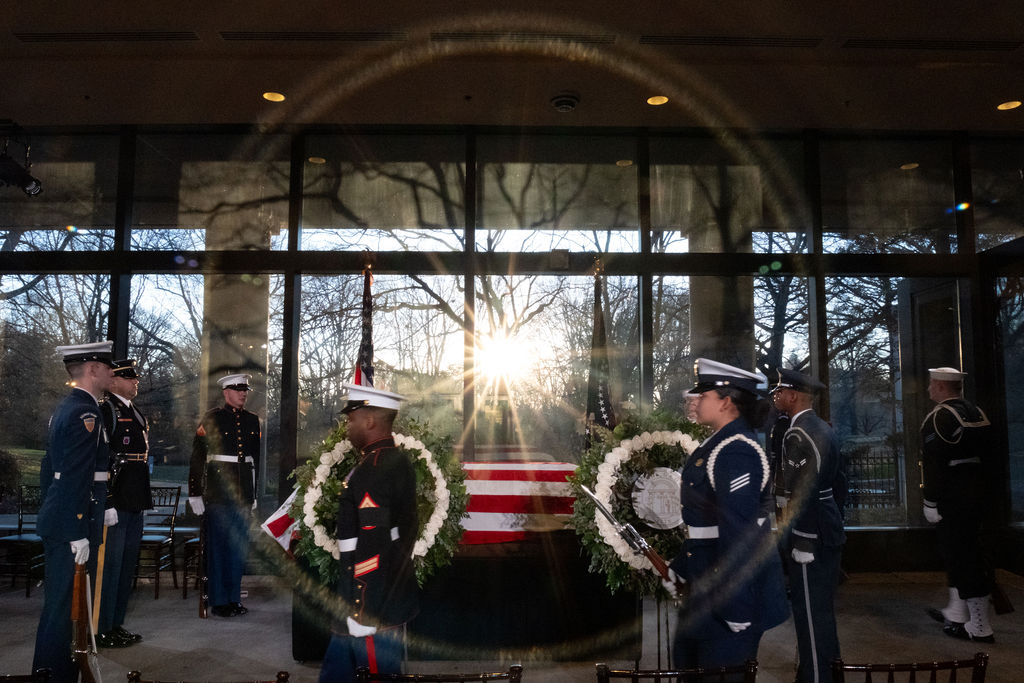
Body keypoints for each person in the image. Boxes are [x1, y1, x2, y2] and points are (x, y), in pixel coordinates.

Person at [663, 359, 789, 671]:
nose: (695, 402)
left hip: (727, 593)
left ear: (726, 402)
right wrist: (681, 566)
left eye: (702, 396)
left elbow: (738, 533)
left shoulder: (736, 450)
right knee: (689, 667)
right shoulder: (717, 444)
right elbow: (704, 522)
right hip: (705, 578)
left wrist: (735, 606)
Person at [319, 383, 419, 683]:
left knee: (376, 675)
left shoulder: (373, 469)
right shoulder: (396, 460)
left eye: (351, 419)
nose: (347, 426)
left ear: (370, 421)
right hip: (384, 592)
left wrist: (363, 612)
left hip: (369, 602)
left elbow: (373, 544)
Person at [33, 341, 114, 683]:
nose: (111, 372)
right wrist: (76, 529)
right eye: (107, 366)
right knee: (65, 610)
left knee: (65, 607)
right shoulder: (86, 412)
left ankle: (53, 673)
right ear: (93, 368)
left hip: (63, 517)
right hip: (71, 523)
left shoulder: (69, 406)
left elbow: (48, 470)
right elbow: (73, 477)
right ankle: (54, 676)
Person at [769, 368, 846, 683]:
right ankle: (829, 673)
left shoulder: (798, 433)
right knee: (822, 613)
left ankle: (816, 677)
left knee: (810, 617)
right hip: (825, 528)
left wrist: (802, 540)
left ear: (793, 395)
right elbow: (838, 485)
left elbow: (802, 493)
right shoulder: (821, 428)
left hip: (810, 537)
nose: (776, 396)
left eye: (780, 391)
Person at [920, 366, 995, 643]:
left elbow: (935, 463)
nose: (929, 389)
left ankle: (979, 626)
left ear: (940, 387)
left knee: (964, 558)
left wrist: (930, 500)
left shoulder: (939, 417)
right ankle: (957, 613)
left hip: (952, 497)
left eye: (931, 384)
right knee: (961, 553)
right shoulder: (976, 413)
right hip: (977, 494)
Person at [188, 372, 261, 618]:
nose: (243, 394)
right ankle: (219, 600)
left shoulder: (253, 421)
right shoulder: (212, 418)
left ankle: (233, 598)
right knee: (219, 548)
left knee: (237, 548)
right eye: (238, 390)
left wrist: (253, 495)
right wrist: (195, 493)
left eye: (245, 390)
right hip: (218, 493)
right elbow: (198, 457)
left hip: (242, 493)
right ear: (226, 392)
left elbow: (255, 461)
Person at [94, 358, 151, 648]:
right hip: (118, 496)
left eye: (135, 378)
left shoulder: (134, 411)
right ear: (113, 381)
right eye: (128, 377)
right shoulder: (106, 410)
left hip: (135, 495)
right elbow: (102, 457)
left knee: (126, 565)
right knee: (110, 566)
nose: (135, 382)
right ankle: (101, 627)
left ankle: (116, 624)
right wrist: (108, 501)